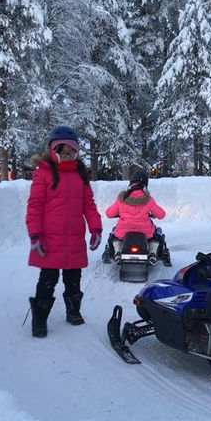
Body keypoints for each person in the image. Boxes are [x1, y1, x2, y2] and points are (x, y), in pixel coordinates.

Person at [26, 126, 102, 338]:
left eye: (72, 152)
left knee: (73, 278)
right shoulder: (43, 174)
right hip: (50, 239)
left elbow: (88, 204)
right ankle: (39, 319)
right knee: (48, 279)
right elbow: (35, 206)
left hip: (75, 238)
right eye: (63, 152)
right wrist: (35, 235)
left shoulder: (80, 174)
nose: (68, 156)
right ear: (53, 151)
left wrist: (95, 228)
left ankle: (73, 311)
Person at [104, 170, 168, 265]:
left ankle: (117, 251)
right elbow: (161, 215)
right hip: (144, 232)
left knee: (114, 235)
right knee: (156, 235)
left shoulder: (122, 198)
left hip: (124, 231)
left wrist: (119, 213)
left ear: (131, 183)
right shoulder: (148, 199)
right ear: (145, 184)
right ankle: (152, 253)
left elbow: (109, 214)